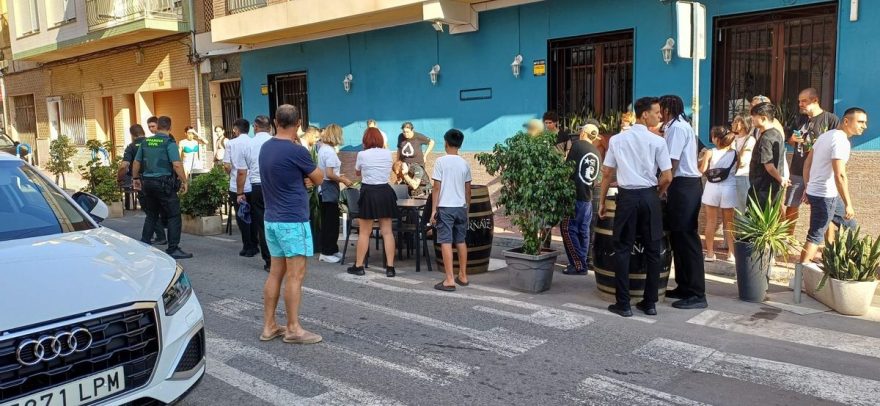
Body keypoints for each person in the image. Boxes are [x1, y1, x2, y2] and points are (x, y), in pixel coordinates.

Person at [257, 104, 325, 345]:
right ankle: (293, 328)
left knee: (276, 272)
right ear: (298, 123)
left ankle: (269, 326)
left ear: (275, 121)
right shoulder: (296, 151)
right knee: (295, 276)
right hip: (293, 220)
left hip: (272, 219)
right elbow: (319, 178)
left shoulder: (265, 147)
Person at [599, 97, 672, 318]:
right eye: (657, 112)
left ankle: (623, 303)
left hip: (628, 197)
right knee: (652, 251)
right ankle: (649, 303)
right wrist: (656, 194)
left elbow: (607, 173)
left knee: (622, 249)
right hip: (649, 196)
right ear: (643, 115)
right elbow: (667, 176)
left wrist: (602, 201)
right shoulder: (658, 142)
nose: (660, 116)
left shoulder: (617, 140)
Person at [799, 107, 866, 264]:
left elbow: (807, 164)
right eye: (860, 122)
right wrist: (848, 204)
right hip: (825, 195)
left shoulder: (825, 136)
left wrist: (808, 188)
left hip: (824, 194)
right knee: (816, 234)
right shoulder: (840, 141)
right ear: (847, 121)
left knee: (850, 226)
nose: (864, 126)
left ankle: (847, 263)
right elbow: (840, 175)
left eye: (865, 122)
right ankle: (799, 276)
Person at [660, 95, 708, 310]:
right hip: (682, 185)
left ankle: (697, 293)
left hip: (685, 186)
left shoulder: (677, 128)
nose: (658, 113)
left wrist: (661, 185)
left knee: (687, 238)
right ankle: (684, 286)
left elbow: (672, 162)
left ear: (667, 109)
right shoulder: (675, 126)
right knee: (677, 238)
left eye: (660, 108)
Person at [131, 116, 193, 259]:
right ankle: (173, 248)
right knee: (173, 215)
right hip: (164, 184)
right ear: (170, 128)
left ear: (157, 126)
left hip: (148, 184)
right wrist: (184, 181)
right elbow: (177, 164)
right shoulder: (169, 142)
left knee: (152, 214)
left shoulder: (145, 142)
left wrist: (135, 179)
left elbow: (136, 163)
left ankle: (144, 244)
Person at [785, 88, 840, 236]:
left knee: (824, 211)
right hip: (797, 169)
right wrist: (792, 140)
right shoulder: (799, 119)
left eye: (804, 101)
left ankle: (826, 247)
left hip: (820, 173)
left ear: (815, 100)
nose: (800, 104)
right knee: (791, 206)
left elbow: (837, 144)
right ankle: (785, 241)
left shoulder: (831, 119)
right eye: (799, 101)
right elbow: (789, 139)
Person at [348, 128, 398, 278]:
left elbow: (357, 172)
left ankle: (359, 266)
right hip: (385, 191)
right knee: (387, 231)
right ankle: (390, 267)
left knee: (364, 232)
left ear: (366, 140)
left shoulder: (362, 154)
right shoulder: (388, 153)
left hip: (369, 192)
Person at [431, 129, 472, 291]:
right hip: (461, 207)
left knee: (446, 242)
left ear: (446, 143)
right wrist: (466, 209)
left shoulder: (440, 162)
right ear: (460, 144)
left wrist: (434, 210)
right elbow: (468, 190)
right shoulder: (465, 163)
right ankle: (463, 275)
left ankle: (449, 279)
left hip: (446, 207)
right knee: (460, 241)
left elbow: (436, 188)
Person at [561, 121, 602, 275]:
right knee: (583, 231)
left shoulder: (577, 146)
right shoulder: (597, 152)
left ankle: (578, 265)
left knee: (567, 229)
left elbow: (567, 169)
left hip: (574, 195)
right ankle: (582, 261)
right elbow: (597, 178)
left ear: (583, 133)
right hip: (588, 198)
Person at [235, 115, 274, 271]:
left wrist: (239, 193)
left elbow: (242, 173)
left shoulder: (248, 145)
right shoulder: (276, 142)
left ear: (255, 127)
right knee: (279, 221)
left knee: (262, 225)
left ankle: (270, 261)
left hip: (257, 187)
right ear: (270, 127)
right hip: (276, 187)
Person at [118, 124, 166, 245]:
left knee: (149, 210)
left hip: (141, 181)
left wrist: (119, 178)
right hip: (158, 180)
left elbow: (124, 166)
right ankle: (159, 236)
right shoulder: (153, 143)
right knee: (154, 208)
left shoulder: (132, 147)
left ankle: (148, 239)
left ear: (132, 135)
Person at [699, 127, 738, 263]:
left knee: (710, 222)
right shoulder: (735, 153)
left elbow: (702, 170)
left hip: (712, 188)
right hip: (729, 188)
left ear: (716, 138)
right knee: (729, 223)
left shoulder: (710, 152)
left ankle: (710, 254)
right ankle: (731, 254)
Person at [316, 124, 353, 263]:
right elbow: (330, 174)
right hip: (329, 188)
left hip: (324, 188)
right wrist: (343, 179)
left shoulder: (323, 149)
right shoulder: (329, 151)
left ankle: (332, 249)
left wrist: (338, 175)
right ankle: (327, 252)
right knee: (330, 222)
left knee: (329, 221)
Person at [225, 119, 257, 257]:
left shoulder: (230, 143)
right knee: (255, 215)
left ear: (236, 129)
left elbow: (226, 165)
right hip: (253, 184)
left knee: (242, 215)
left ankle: (247, 246)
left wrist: (230, 172)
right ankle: (255, 244)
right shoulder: (253, 142)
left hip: (236, 186)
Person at [748, 102, 789, 210]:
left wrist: (781, 179)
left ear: (763, 118)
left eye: (754, 116)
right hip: (772, 187)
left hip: (762, 188)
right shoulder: (777, 133)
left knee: (758, 222)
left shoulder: (766, 138)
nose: (751, 119)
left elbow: (769, 166)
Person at [731, 115, 755, 213]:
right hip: (732, 176)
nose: (732, 123)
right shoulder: (733, 138)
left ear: (744, 124)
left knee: (742, 208)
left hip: (743, 176)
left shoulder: (750, 140)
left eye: (736, 121)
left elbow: (744, 161)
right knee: (734, 208)